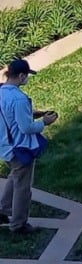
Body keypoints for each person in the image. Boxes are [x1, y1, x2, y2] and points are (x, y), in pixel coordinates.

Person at [0, 59, 58, 235]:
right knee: (23, 187)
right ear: (21, 76)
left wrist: (33, 113)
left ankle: (2, 210)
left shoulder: (2, 91)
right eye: (27, 76)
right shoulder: (19, 98)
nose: (28, 79)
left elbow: (9, 114)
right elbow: (26, 128)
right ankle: (18, 225)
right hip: (20, 148)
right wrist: (44, 122)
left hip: (5, 145)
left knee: (14, 177)